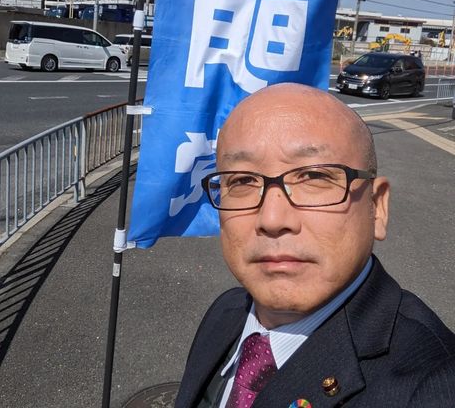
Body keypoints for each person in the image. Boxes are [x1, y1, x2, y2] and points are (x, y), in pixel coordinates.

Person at [175, 83, 455, 407]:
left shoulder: (433, 385)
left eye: (314, 177)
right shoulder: (227, 311)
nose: (272, 218)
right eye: (243, 180)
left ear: (377, 207)